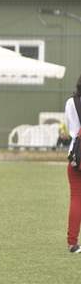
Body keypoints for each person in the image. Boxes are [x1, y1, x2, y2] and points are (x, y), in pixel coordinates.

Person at [65, 75, 81, 253]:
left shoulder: (71, 102)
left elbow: (71, 129)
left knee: (77, 198)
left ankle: (72, 242)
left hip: (77, 154)